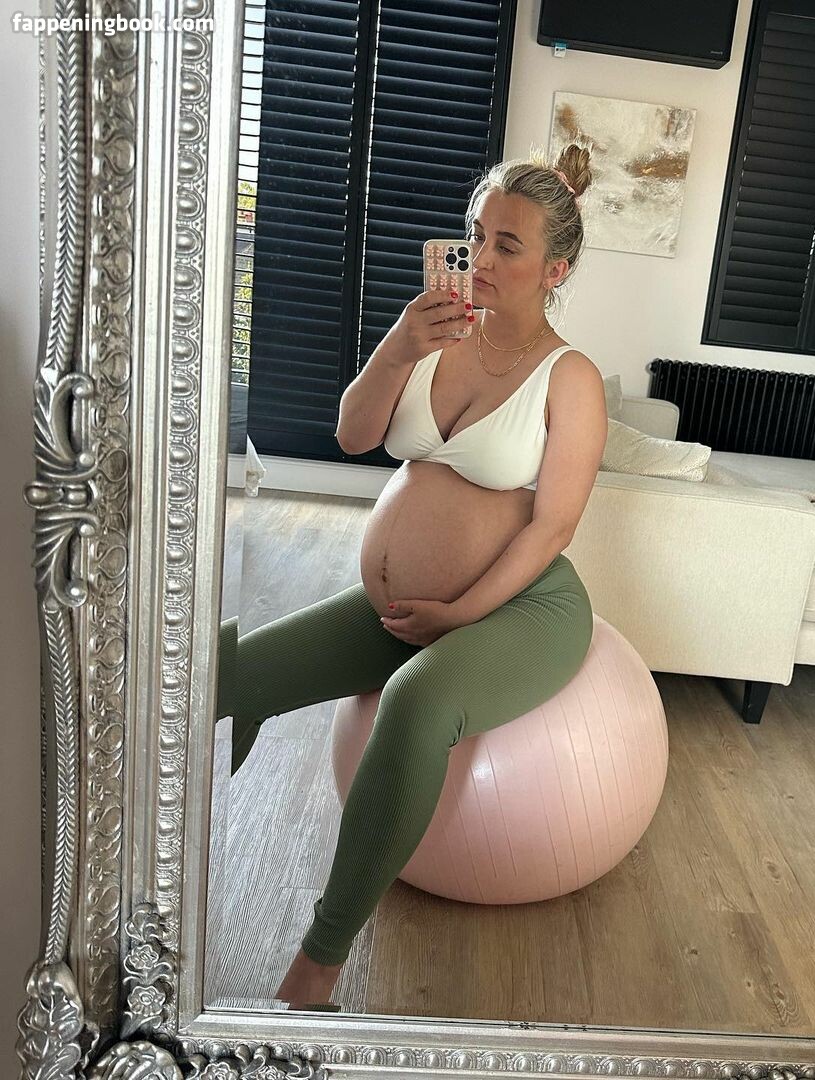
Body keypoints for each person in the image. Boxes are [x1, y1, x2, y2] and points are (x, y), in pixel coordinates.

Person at [215, 143, 609, 1008]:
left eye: (508, 244)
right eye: (477, 234)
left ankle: (317, 967)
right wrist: (397, 348)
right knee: (223, 669)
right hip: (405, 605)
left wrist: (459, 612)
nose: (482, 256)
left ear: (555, 270)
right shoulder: (434, 334)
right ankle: (154, 847)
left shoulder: (570, 377)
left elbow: (553, 526)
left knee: (416, 701)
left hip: (521, 607)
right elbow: (353, 435)